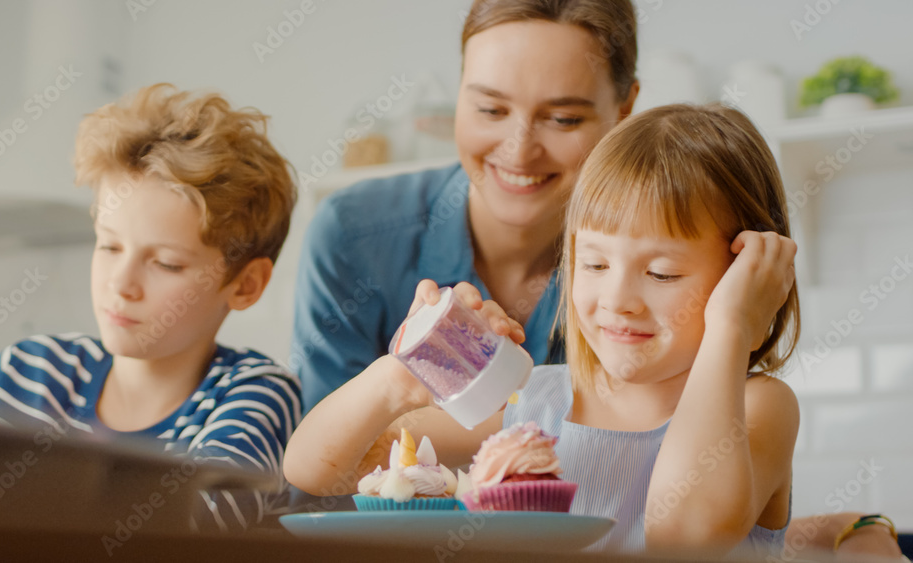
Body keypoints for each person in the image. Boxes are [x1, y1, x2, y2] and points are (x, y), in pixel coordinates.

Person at [285, 103, 802, 557]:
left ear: (745, 278)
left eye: (661, 273)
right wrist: (401, 378)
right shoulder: (528, 406)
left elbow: (684, 538)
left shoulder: (760, 408)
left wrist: (732, 327)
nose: (617, 301)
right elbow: (317, 474)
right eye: (594, 265)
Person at [0, 83, 301, 530]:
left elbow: (196, 532)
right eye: (110, 247)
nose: (121, 284)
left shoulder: (254, 394)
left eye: (166, 263)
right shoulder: (33, 369)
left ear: (246, 285)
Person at [289, 0, 638, 413]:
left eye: (563, 119)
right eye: (491, 110)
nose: (519, 151)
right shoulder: (350, 237)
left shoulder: (662, 255)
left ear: (624, 110)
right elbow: (324, 467)